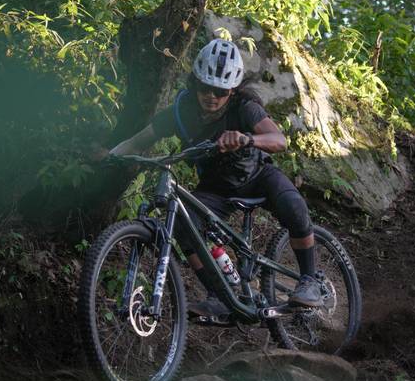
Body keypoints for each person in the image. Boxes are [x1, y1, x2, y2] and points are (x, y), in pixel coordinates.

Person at [104, 38, 322, 317]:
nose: (212, 96)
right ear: (196, 84)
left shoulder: (244, 107)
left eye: (221, 90)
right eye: (206, 88)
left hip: (257, 175)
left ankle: (309, 280)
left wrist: (246, 138)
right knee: (184, 227)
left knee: (294, 205)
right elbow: (138, 141)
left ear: (232, 90)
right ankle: (221, 297)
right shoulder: (181, 112)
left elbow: (278, 140)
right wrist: (110, 157)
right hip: (214, 188)